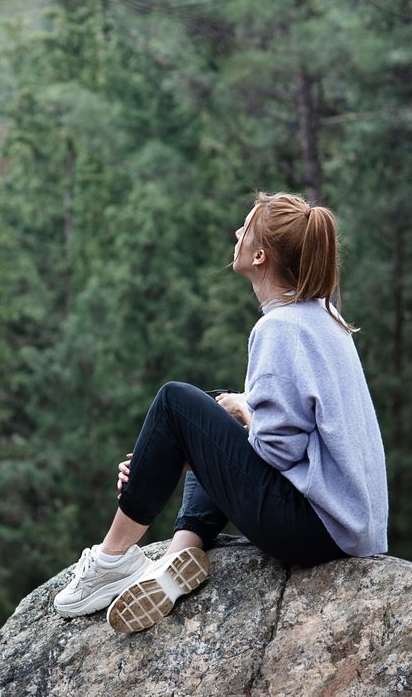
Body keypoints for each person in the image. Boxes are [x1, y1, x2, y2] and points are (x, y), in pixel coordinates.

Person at [52, 191, 389, 634]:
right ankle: (180, 555)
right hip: (346, 523)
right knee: (213, 408)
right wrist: (185, 450)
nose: (236, 233)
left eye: (245, 228)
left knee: (177, 403)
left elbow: (275, 449)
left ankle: (111, 560)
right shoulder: (323, 317)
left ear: (261, 254)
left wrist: (198, 441)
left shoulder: (279, 328)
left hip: (313, 528)